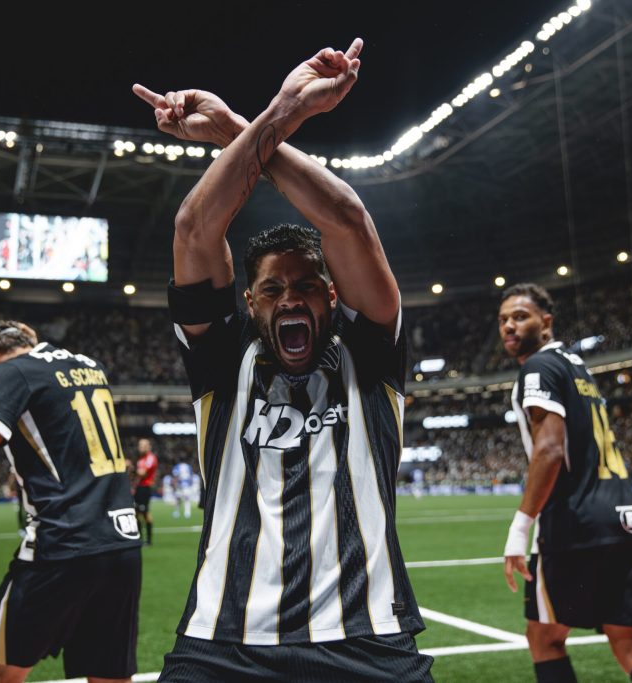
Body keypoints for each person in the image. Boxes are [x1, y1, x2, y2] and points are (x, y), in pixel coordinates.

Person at [134, 37, 432, 682]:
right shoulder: (221, 357)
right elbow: (194, 229)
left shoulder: (371, 352)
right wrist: (278, 114)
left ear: (333, 294)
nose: (290, 298)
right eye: (272, 289)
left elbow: (347, 219)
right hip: (222, 640)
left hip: (368, 637)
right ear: (249, 301)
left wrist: (242, 128)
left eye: (306, 286)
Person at [0, 321, 142, 683]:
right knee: (109, 676)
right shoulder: (89, 366)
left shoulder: (10, 372)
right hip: (121, 545)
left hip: (61, 545)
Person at [498, 284, 632, 683]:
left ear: (546, 323)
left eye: (520, 317)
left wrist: (520, 527)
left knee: (545, 638)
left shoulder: (538, 367)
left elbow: (549, 450)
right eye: (503, 319)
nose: (509, 325)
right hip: (625, 518)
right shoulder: (579, 368)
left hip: (576, 524)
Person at [134, 438, 158, 545]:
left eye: (143, 445)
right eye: (140, 445)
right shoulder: (140, 459)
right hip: (139, 488)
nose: (140, 447)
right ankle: (139, 539)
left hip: (145, 488)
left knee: (145, 513)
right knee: (136, 513)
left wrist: (130, 468)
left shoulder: (150, 458)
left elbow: (143, 473)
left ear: (149, 447)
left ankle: (148, 540)